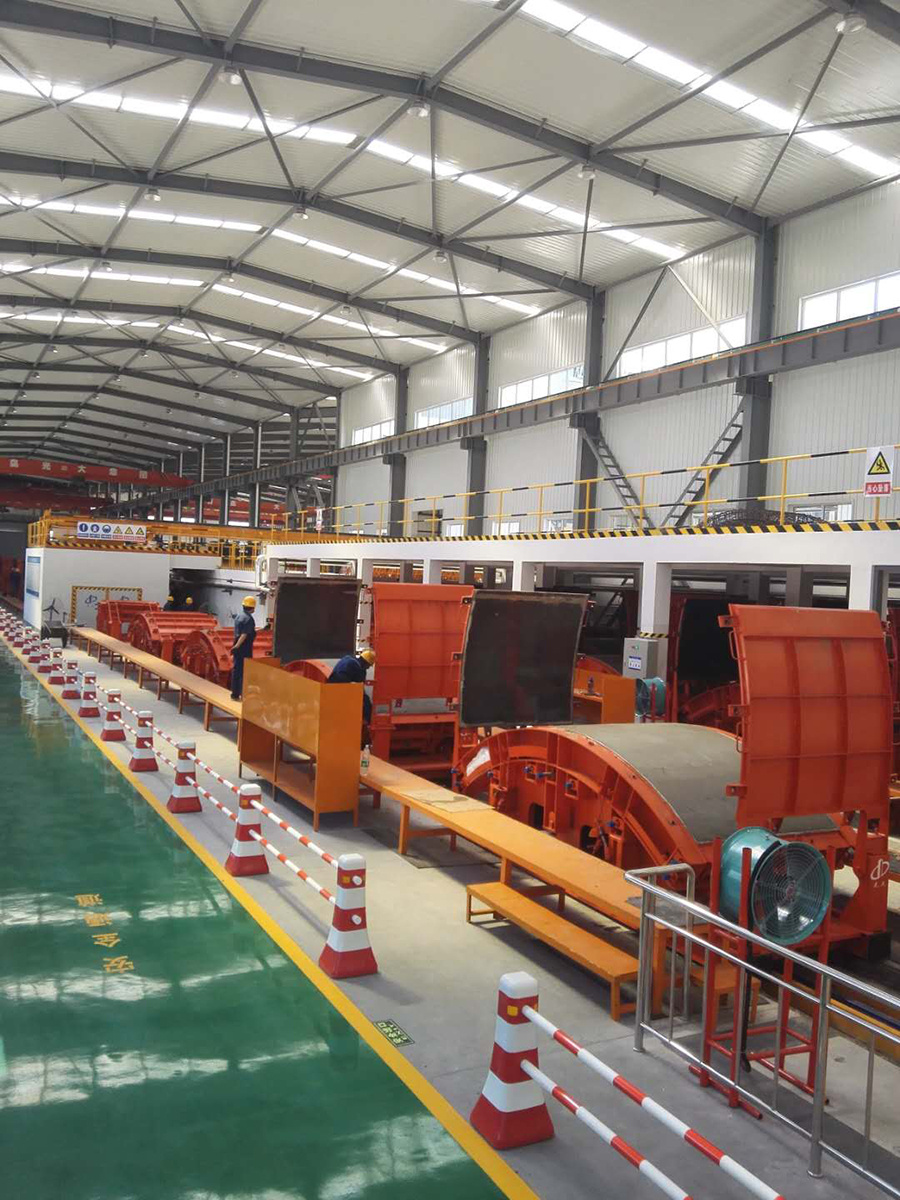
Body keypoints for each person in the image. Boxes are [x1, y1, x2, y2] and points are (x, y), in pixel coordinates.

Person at [327, 648, 375, 723]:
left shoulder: (347, 658)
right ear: (365, 663)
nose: (368, 668)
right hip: (342, 688)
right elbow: (359, 685)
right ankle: (368, 721)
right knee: (366, 701)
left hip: (330, 687)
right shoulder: (358, 668)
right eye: (368, 665)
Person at [230, 596, 257, 700]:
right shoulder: (249, 619)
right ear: (252, 608)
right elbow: (244, 634)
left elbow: (243, 632)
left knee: (236, 670)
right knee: (244, 671)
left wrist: (235, 647)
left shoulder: (239, 616)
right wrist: (237, 646)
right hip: (244, 647)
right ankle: (242, 694)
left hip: (237, 645)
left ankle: (234, 694)